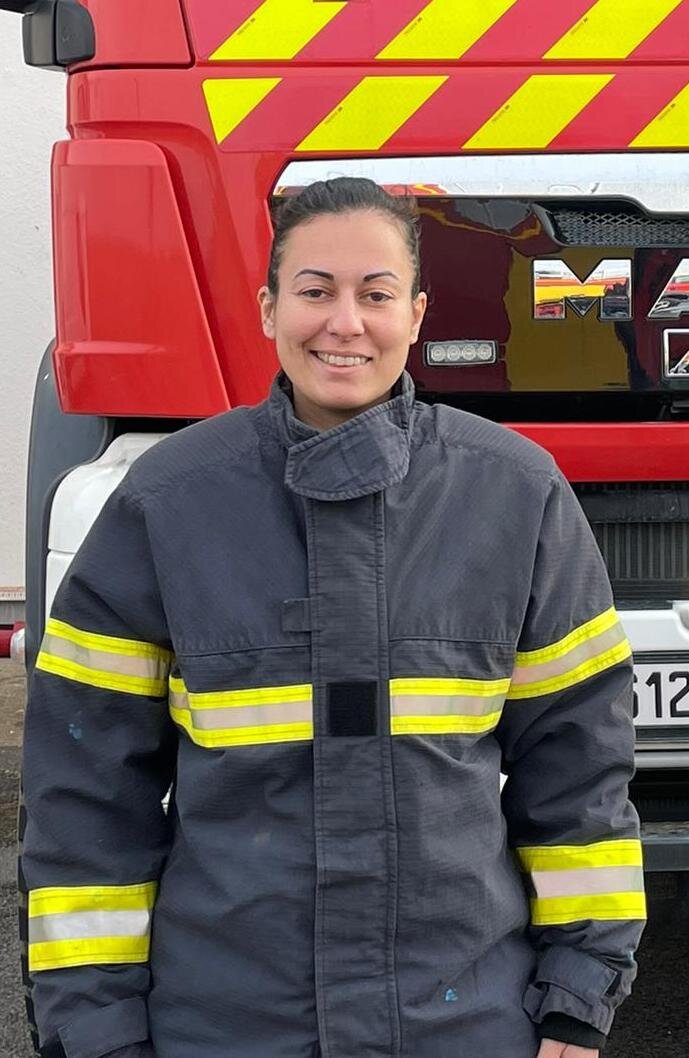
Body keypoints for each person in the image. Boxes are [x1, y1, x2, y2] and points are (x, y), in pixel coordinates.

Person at [20, 177, 646, 1058]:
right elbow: (85, 803)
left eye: (375, 294)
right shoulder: (166, 506)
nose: (344, 323)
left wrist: (577, 1003)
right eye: (315, 291)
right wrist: (95, 1030)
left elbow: (579, 781)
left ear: (417, 314)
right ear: (270, 306)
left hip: (461, 1025)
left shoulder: (515, 496)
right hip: (225, 1028)